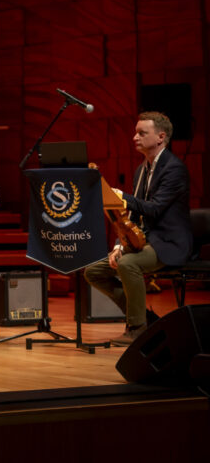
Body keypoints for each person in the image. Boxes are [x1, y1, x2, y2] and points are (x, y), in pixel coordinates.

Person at [84, 111, 191, 346]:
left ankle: (137, 328)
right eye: (135, 132)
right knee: (93, 272)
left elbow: (154, 209)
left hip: (169, 243)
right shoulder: (141, 170)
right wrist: (118, 245)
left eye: (142, 133)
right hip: (144, 240)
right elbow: (131, 216)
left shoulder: (174, 169)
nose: (135, 137)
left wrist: (123, 197)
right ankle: (147, 320)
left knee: (128, 263)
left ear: (161, 137)